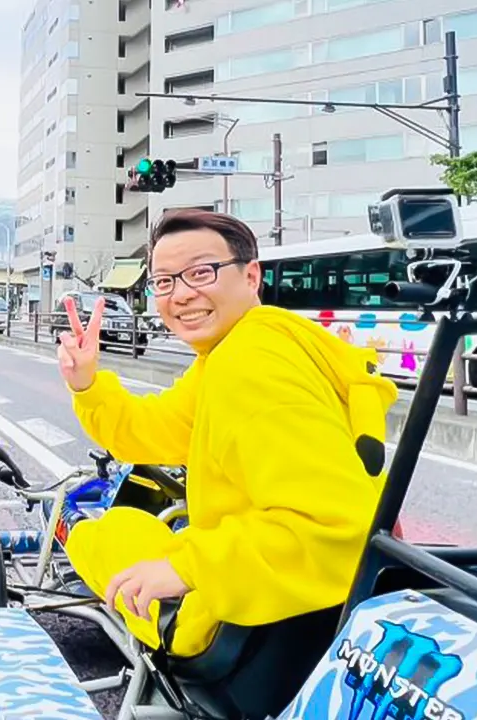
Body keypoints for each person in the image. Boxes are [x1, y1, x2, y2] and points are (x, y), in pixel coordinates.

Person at [58, 209, 398, 658]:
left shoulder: (251, 365)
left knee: (94, 535)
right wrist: (87, 382)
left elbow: (334, 526)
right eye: (164, 281)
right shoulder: (243, 350)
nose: (180, 295)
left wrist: (186, 568)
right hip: (286, 593)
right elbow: (150, 430)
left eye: (201, 272)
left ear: (251, 275)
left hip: (244, 624)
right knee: (126, 525)